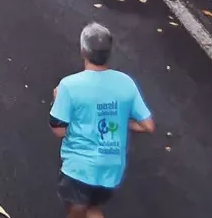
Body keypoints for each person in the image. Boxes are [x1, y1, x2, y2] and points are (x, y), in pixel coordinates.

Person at [50, 23, 155, 216]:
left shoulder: (69, 86)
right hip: (112, 170)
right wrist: (121, 120)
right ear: (109, 52)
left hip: (79, 170)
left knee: (77, 213)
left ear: (83, 51)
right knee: (94, 209)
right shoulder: (126, 83)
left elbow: (58, 130)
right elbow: (147, 125)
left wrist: (60, 102)